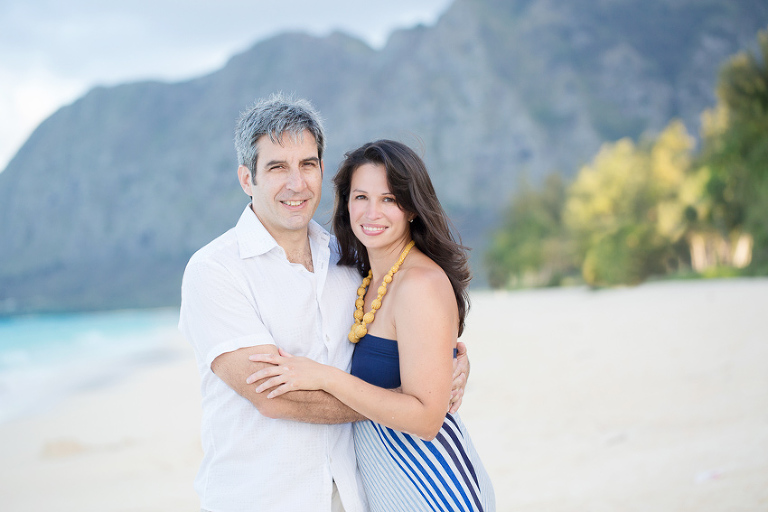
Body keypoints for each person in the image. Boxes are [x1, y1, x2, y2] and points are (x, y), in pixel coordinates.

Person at [179, 95, 470, 512]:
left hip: (353, 496)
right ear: (247, 178)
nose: (296, 183)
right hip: (260, 498)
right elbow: (275, 398)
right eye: (277, 167)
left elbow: (403, 328)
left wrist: (446, 366)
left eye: (308, 165)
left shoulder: (349, 261)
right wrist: (414, 403)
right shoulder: (216, 270)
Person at [247, 140, 495, 512]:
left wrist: (324, 377)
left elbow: (428, 419)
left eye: (390, 199)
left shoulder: (419, 284)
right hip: (386, 483)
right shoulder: (363, 277)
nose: (372, 212)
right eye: (361, 197)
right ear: (346, 204)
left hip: (432, 483)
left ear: (412, 208)